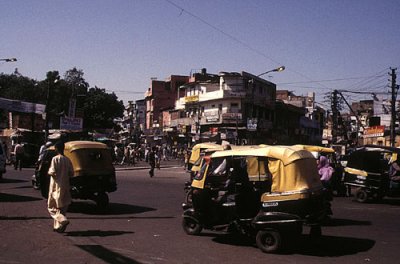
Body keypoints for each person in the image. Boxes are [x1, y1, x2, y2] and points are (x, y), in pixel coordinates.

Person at [47, 141, 74, 233]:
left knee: (51, 207)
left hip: (56, 186)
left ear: (56, 149)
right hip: (65, 186)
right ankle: (58, 227)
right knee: (62, 208)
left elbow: (52, 172)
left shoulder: (55, 159)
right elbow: (71, 173)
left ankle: (62, 220)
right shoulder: (68, 160)